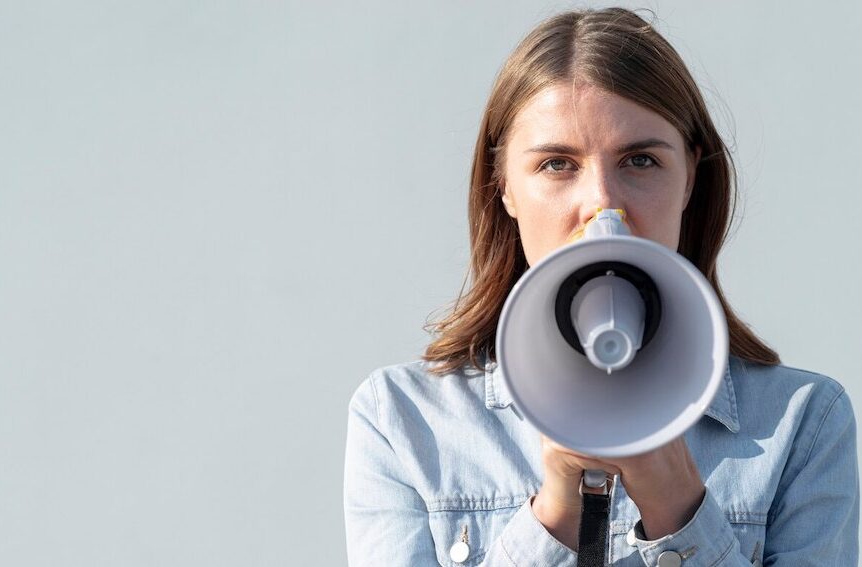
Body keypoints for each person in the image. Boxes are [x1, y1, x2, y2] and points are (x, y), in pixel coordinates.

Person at [343, 7, 859, 566]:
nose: (603, 204)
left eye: (640, 160)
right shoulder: (405, 422)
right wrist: (557, 514)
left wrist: (680, 508)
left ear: (690, 176)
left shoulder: (803, 423)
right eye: (557, 164)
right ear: (505, 187)